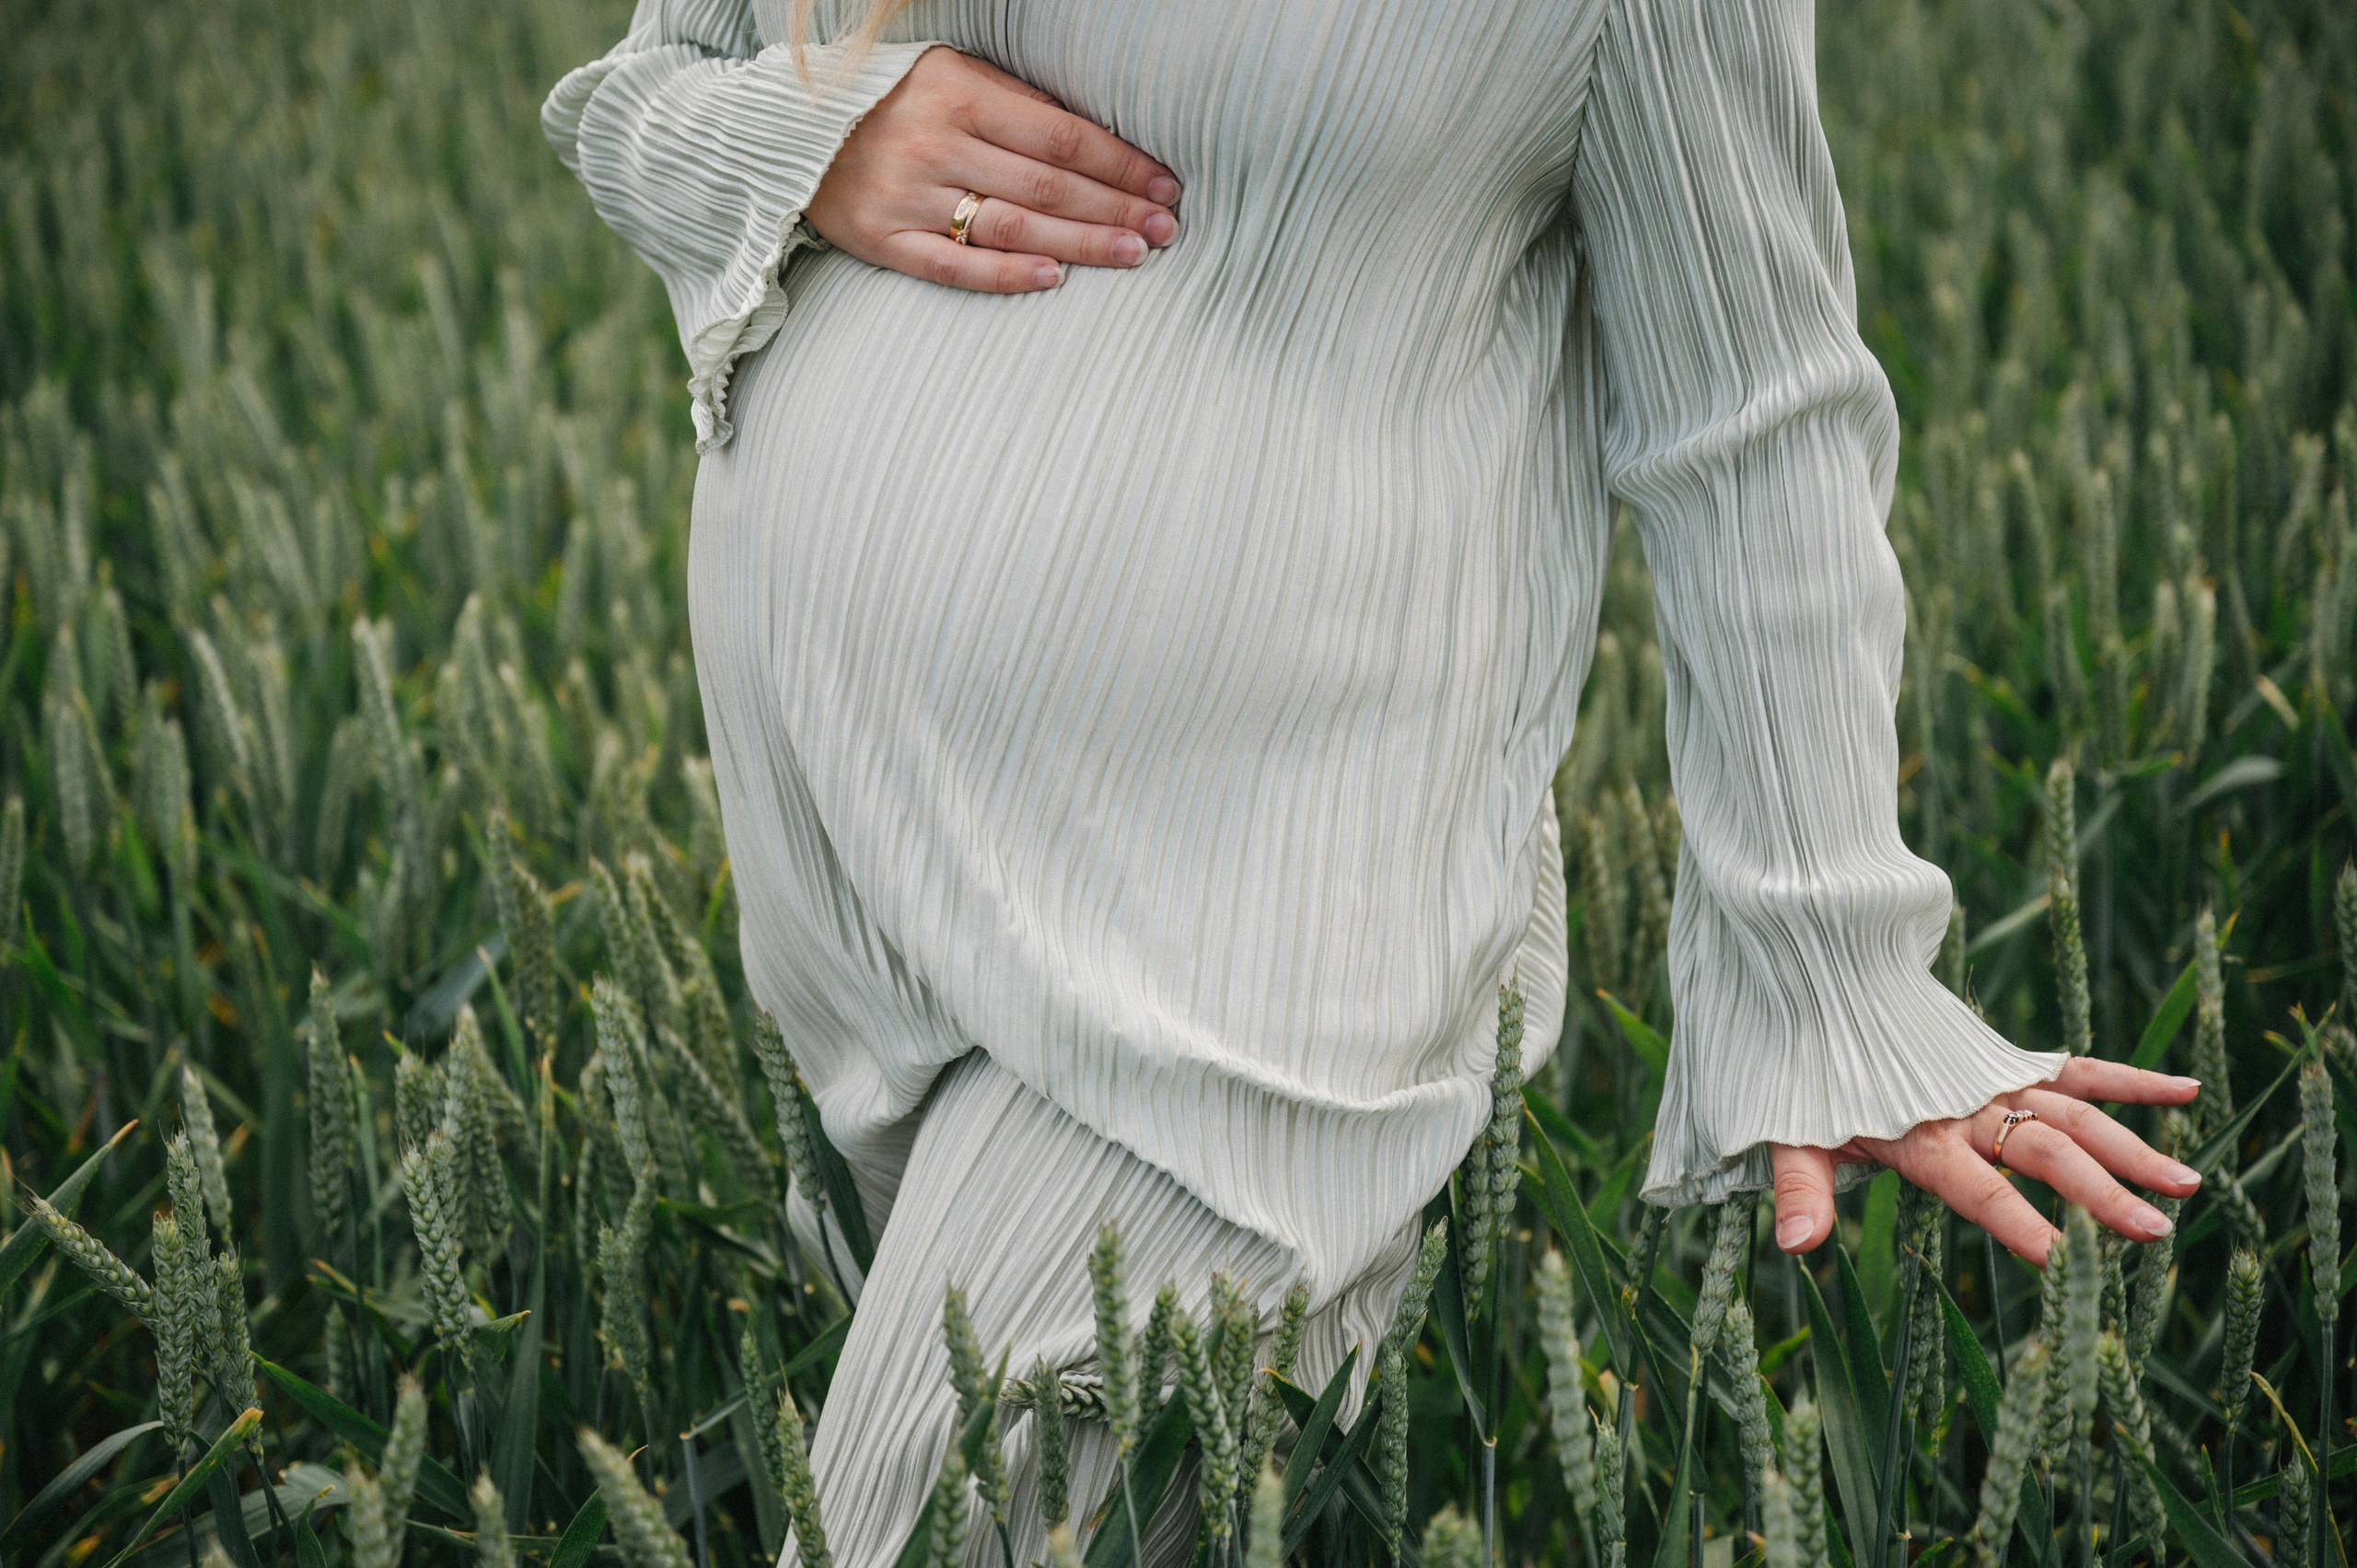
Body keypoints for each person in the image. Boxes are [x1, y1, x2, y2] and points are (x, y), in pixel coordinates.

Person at [542, 0, 2202, 1558]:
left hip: (1237, 976)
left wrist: (1832, 957)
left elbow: (1750, 405)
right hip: (850, 950)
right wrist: (805, 142)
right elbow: (641, 93)